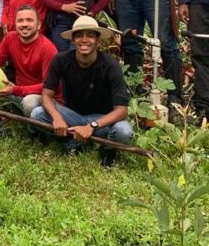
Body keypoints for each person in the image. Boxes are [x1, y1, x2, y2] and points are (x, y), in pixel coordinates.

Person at [30, 15, 134, 165]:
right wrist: (57, 117)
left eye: (90, 36)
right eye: (79, 35)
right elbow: (46, 96)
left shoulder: (111, 66)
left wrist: (91, 126)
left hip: (101, 121)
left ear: (98, 40)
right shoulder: (61, 60)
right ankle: (73, 143)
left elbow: (122, 111)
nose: (84, 40)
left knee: (124, 131)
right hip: (72, 117)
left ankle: (107, 151)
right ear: (72, 40)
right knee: (37, 113)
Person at [0, 5, 58, 139]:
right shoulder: (10, 38)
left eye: (29, 20)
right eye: (20, 21)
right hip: (17, 93)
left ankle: (33, 134)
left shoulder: (48, 49)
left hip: (42, 98)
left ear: (39, 25)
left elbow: (49, 87)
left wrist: (15, 90)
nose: (24, 24)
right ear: (15, 23)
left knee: (29, 103)